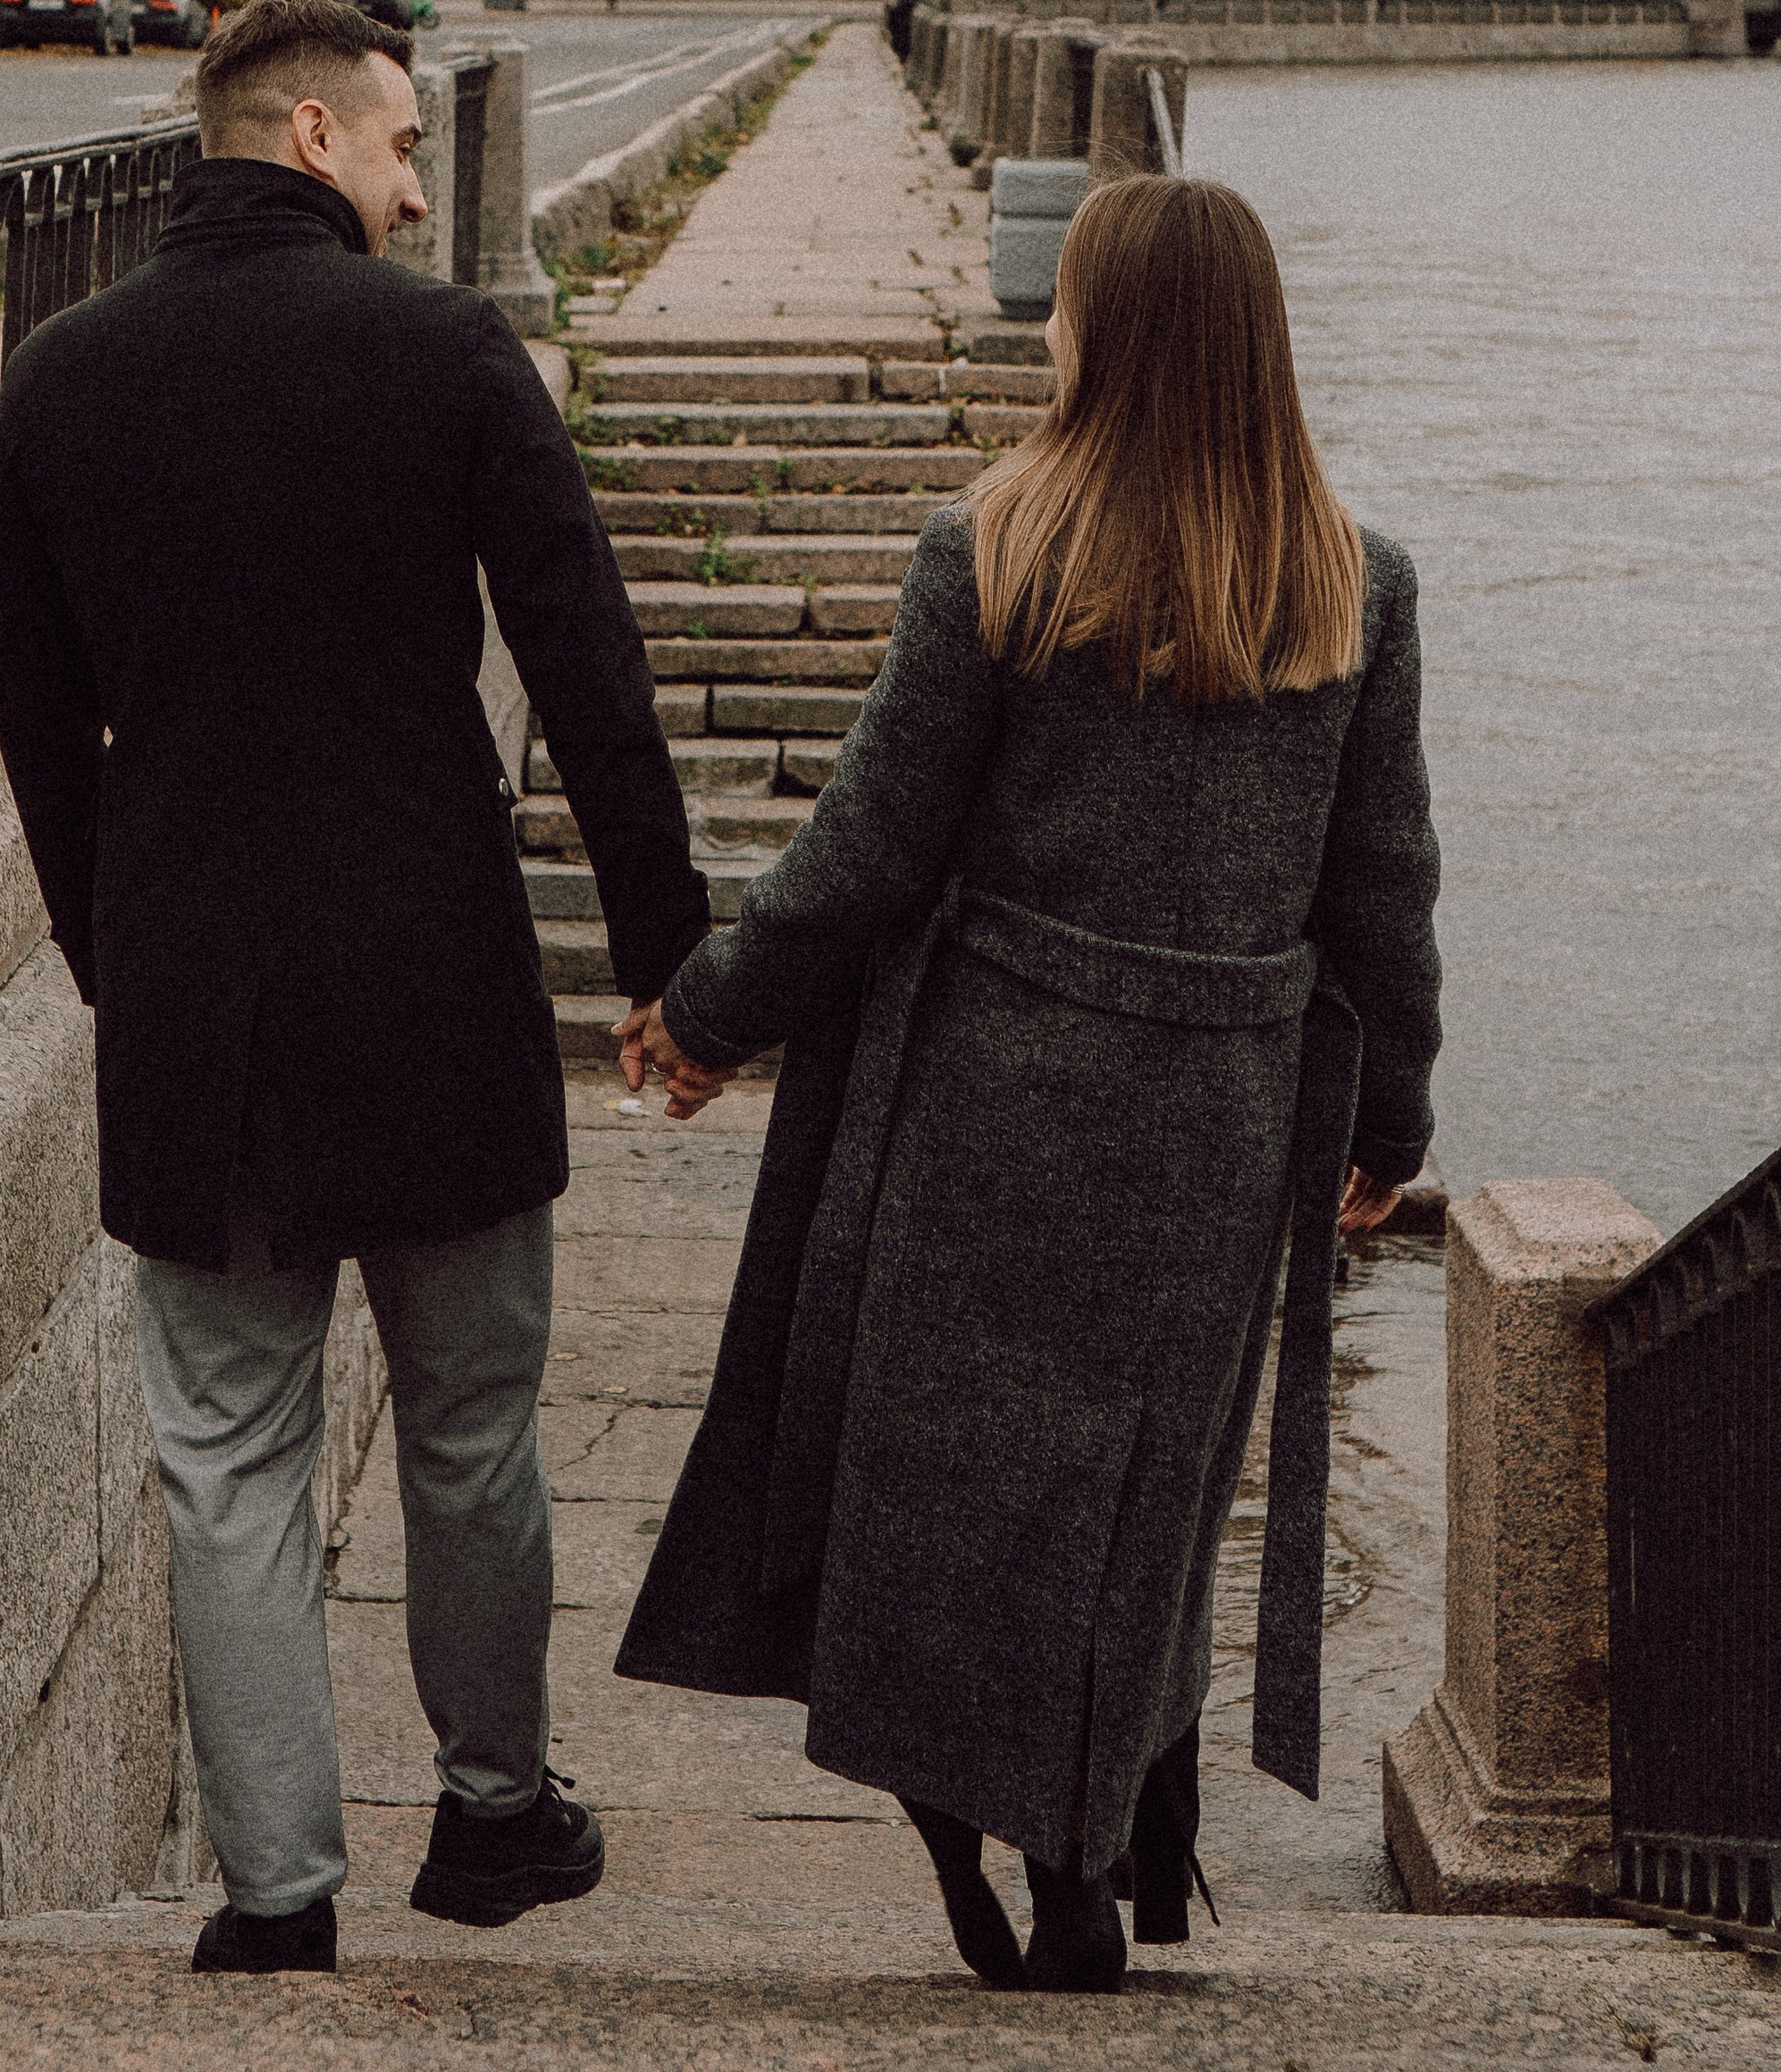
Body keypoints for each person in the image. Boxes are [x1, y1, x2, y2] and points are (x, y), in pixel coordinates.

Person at [613, 173, 1441, 1996]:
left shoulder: (994, 547)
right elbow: (1383, 891)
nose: (1048, 324)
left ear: (1103, 332)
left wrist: (707, 1015)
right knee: (1142, 1493)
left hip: (999, 1088)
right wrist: (1386, 1122)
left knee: (944, 1472)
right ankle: (1086, 1842)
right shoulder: (1351, 581)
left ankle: (962, 1801)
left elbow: (865, 852)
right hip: (1219, 1112)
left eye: (1065, 300)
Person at [0, 0, 709, 1978]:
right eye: (397, 149)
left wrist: (121, 961)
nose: (414, 189)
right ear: (310, 135)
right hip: (433, 978)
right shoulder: (447, 350)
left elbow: (37, 729)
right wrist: (670, 963)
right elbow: (588, 668)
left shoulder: (58, 379)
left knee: (226, 1452)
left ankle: (275, 1898)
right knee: (471, 1426)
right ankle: (492, 1816)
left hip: (194, 996)